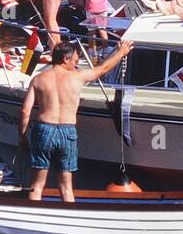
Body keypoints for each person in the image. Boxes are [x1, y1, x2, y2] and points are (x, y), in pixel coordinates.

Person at [19, 37, 134, 201]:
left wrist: (22, 136)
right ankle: (68, 220)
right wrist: (121, 52)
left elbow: (25, 111)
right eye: (75, 60)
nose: (76, 64)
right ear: (65, 59)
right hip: (67, 132)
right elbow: (103, 69)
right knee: (66, 188)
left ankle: (31, 220)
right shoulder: (77, 77)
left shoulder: (38, 79)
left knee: (36, 186)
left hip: (44, 130)